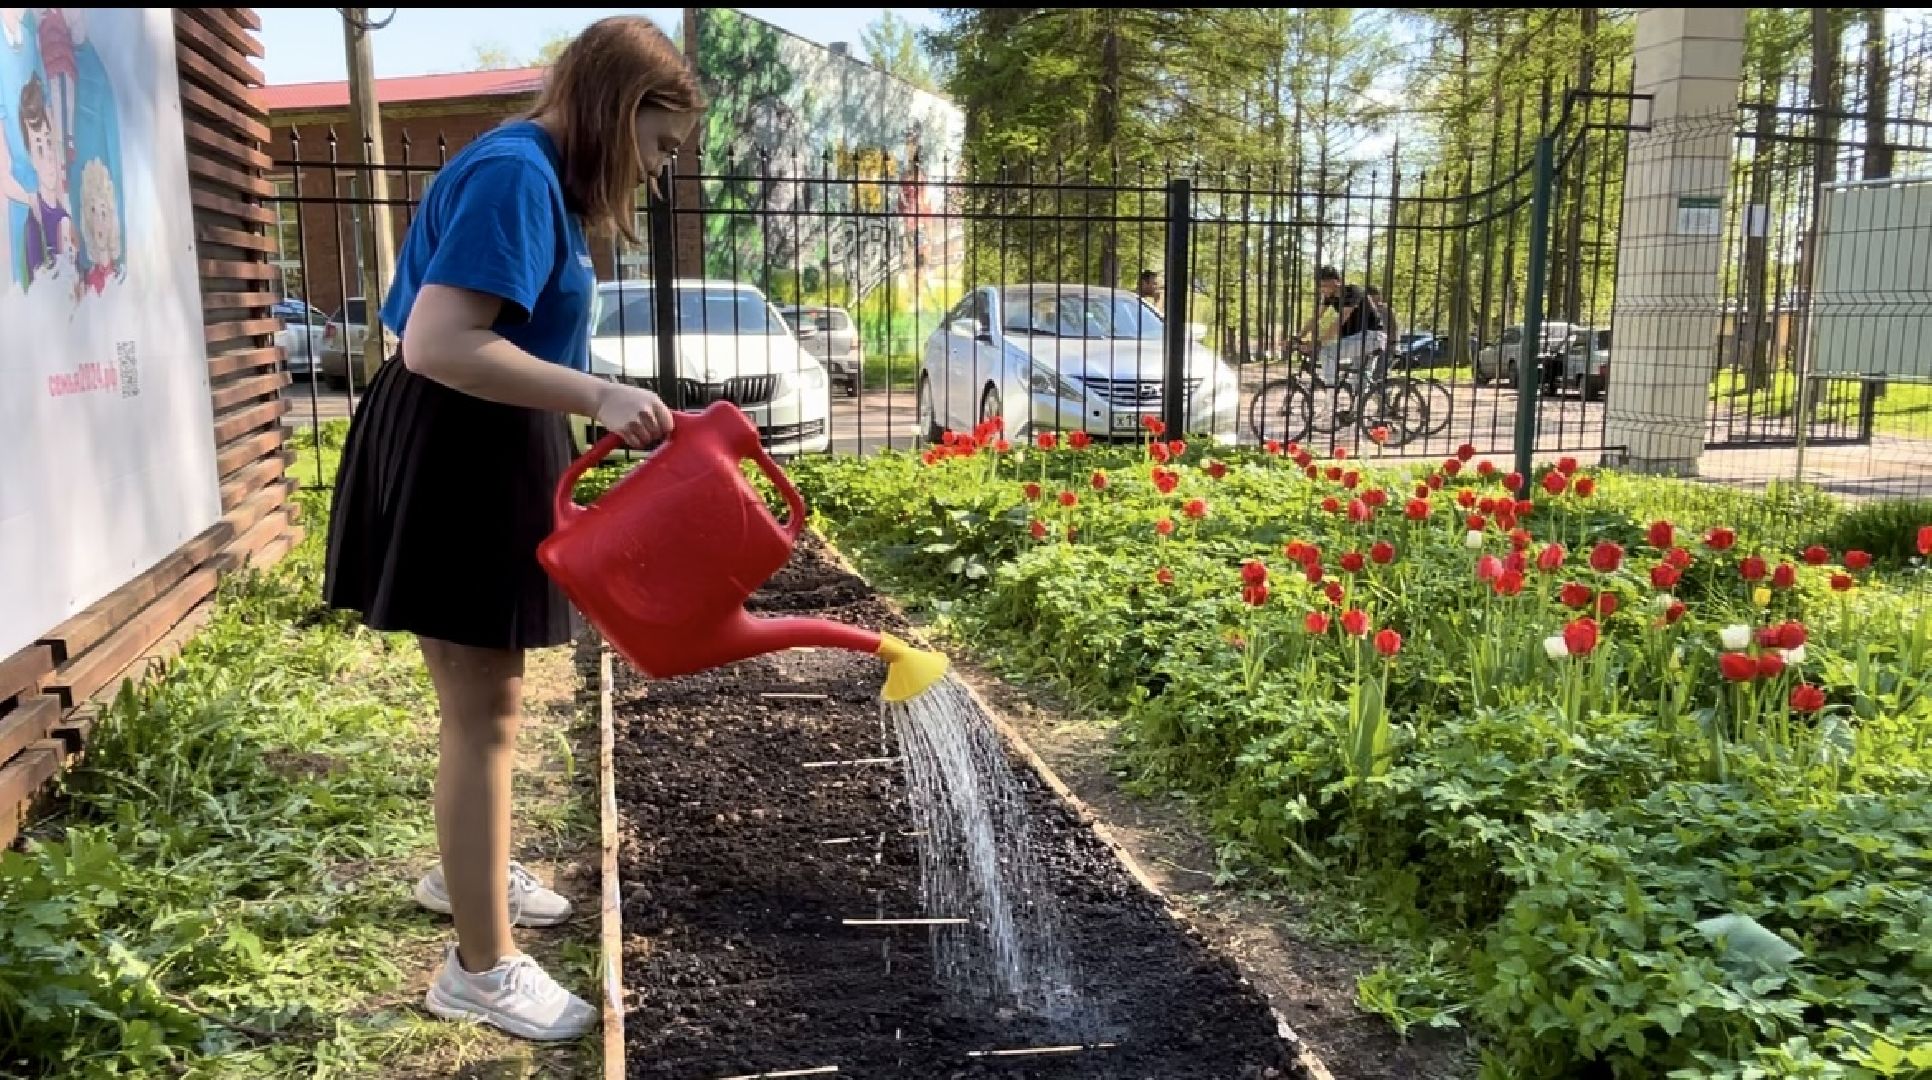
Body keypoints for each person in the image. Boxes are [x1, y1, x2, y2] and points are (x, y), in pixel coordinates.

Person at [321, 15, 701, 1042]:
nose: (659, 175)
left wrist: (580, 408)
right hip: (459, 452)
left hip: (485, 447)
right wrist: (597, 392)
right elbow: (440, 342)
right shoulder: (516, 175)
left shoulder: (531, 173)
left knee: (492, 704)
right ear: (618, 114)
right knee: (482, 714)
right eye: (659, 147)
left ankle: (472, 878)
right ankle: (480, 968)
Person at [1295, 265, 1386, 388]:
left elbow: (1340, 320)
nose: (1323, 289)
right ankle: (1381, 404)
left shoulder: (1353, 292)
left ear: (1337, 281)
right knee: (1359, 385)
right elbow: (1315, 318)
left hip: (1371, 337)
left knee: (1327, 352)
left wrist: (1319, 342)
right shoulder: (1330, 297)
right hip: (1356, 339)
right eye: (1320, 286)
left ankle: (1331, 395)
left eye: (1325, 285)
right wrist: (1297, 337)